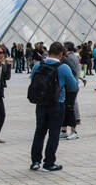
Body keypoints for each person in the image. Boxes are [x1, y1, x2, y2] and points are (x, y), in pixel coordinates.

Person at [29, 42, 75, 171]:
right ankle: (49, 163)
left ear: (48, 52)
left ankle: (35, 162)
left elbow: (33, 81)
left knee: (39, 132)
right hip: (57, 104)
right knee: (54, 134)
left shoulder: (37, 65)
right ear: (61, 54)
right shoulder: (63, 68)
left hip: (40, 104)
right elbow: (73, 86)